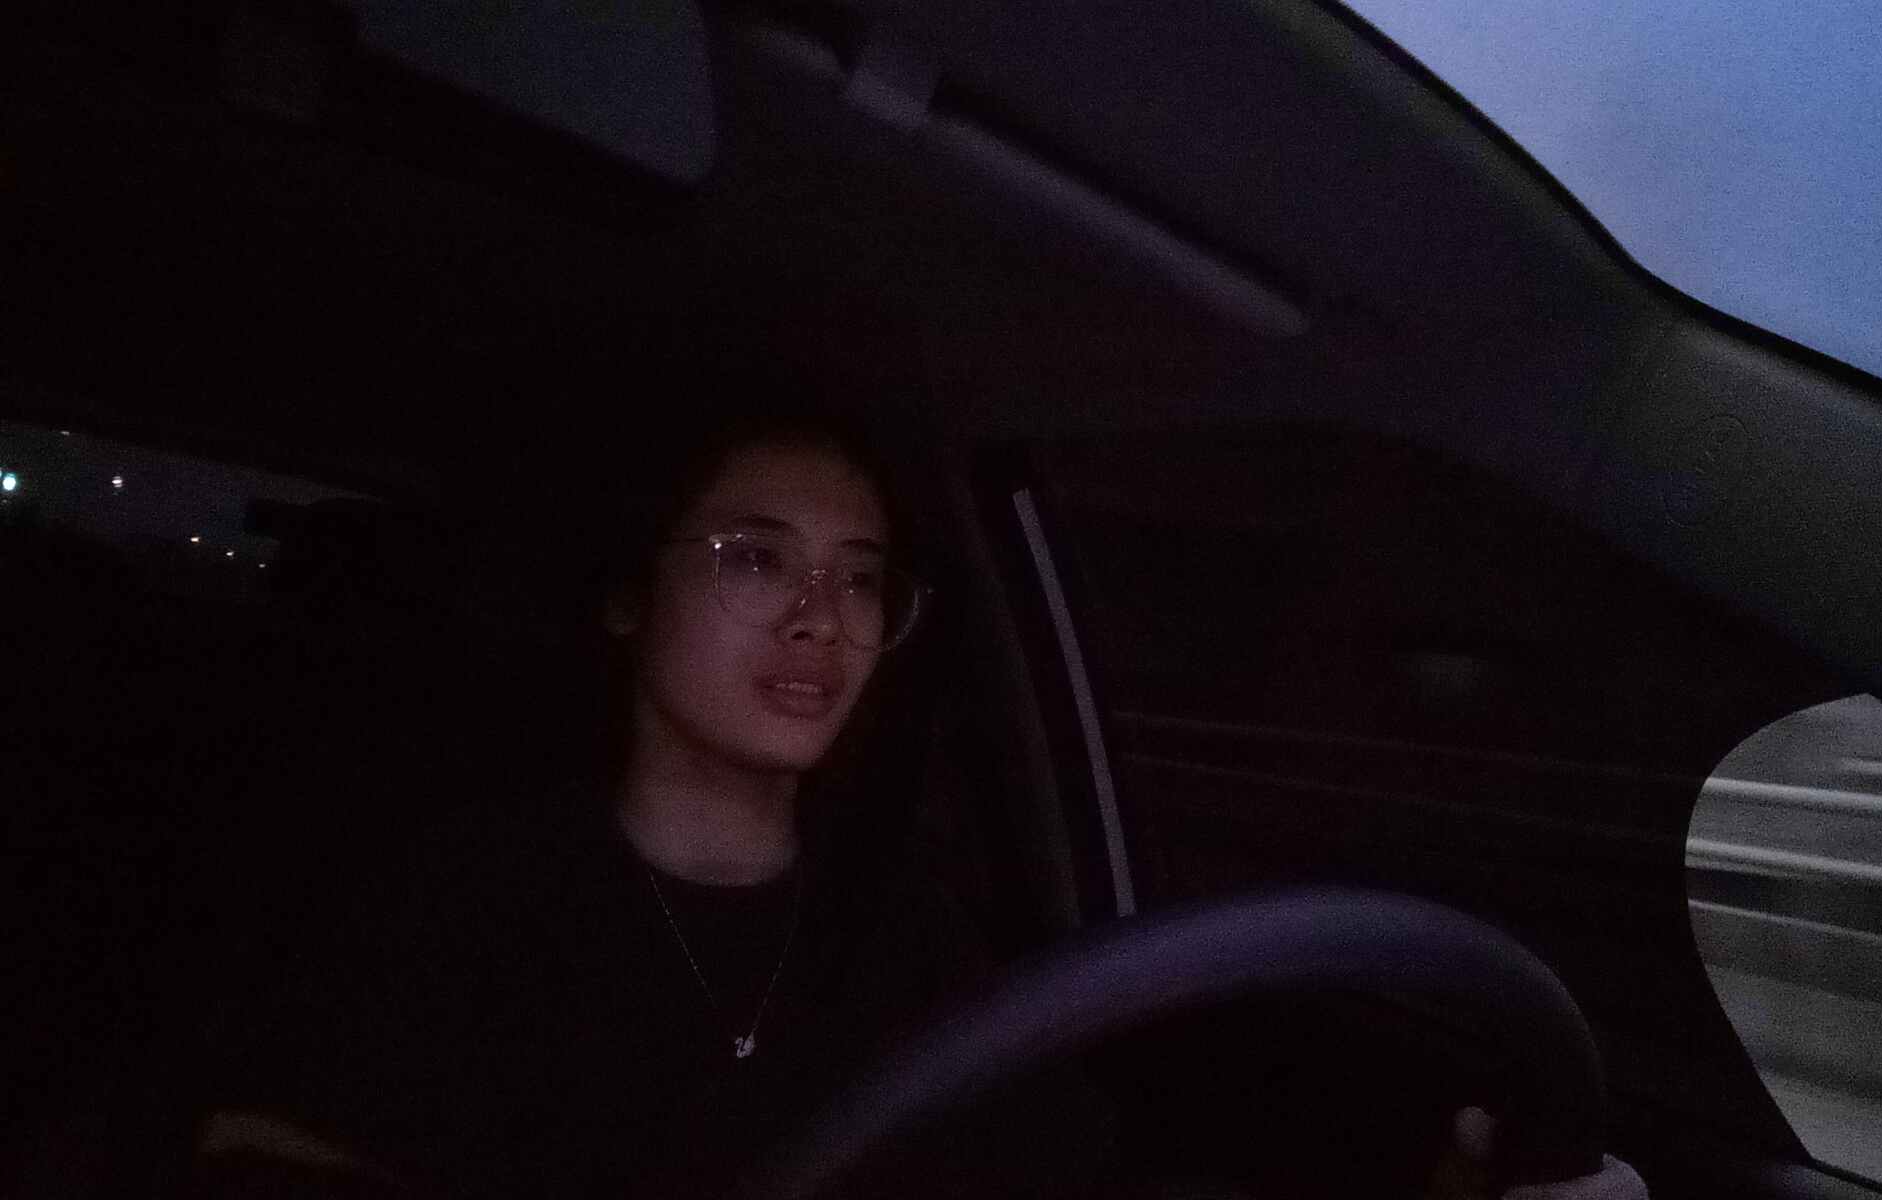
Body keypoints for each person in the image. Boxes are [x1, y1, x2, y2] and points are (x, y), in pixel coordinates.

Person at [193, 393, 1644, 1200]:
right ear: (632, 595)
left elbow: (1071, 1172)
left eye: (861, 576)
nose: (820, 617)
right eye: (755, 558)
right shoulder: (474, 890)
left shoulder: (895, 924)